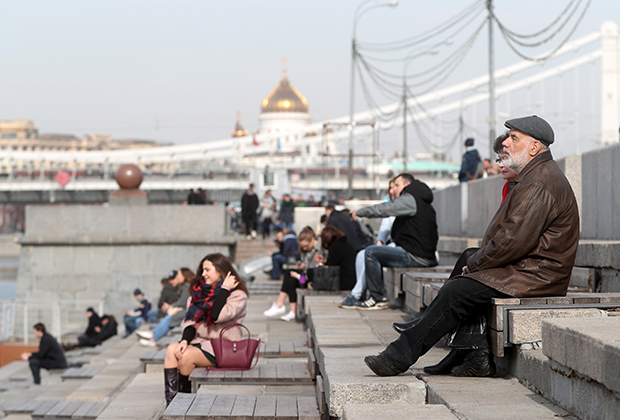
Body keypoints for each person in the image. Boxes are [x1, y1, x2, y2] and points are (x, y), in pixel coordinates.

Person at [364, 115, 580, 378]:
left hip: (536, 275)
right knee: (467, 259)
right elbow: (510, 239)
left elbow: (511, 242)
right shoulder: (535, 175)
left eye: (514, 138)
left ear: (534, 147)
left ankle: (397, 357)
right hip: (528, 268)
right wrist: (473, 261)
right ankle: (468, 354)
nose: (506, 144)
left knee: (459, 289)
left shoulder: (537, 182)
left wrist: (475, 266)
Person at [163, 253, 249, 406]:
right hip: (200, 342)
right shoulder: (198, 294)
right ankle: (172, 405)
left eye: (208, 270)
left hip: (224, 347)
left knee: (186, 356)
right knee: (172, 349)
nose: (203, 274)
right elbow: (189, 322)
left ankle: (183, 405)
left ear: (220, 270)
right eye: (202, 270)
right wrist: (184, 340)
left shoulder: (237, 295)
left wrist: (224, 289)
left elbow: (216, 315)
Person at [351, 173, 438, 310]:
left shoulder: (409, 199)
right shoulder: (421, 200)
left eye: (397, 185)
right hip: (423, 254)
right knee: (375, 251)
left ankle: (378, 297)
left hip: (415, 256)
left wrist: (360, 212)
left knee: (370, 252)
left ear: (407, 185)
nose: (393, 189)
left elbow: (384, 209)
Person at [340, 177, 397, 308]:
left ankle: (358, 294)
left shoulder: (404, 205)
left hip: (403, 246)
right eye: (391, 188)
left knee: (371, 253)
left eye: (395, 187)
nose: (392, 191)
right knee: (362, 254)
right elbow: (385, 226)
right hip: (393, 244)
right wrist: (380, 241)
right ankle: (359, 293)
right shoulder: (391, 205)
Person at [263, 226, 323, 321]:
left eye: (306, 246)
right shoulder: (306, 250)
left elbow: (314, 272)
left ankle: (281, 305)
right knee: (289, 277)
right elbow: (307, 267)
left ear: (312, 240)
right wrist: (302, 266)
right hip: (305, 276)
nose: (304, 248)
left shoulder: (319, 251)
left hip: (309, 281)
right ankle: (289, 310)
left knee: (290, 276)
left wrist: (299, 276)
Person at [137, 268, 194, 346]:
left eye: (178, 274)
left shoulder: (186, 286)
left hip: (187, 312)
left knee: (170, 318)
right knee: (169, 317)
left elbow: (182, 303)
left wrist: (170, 306)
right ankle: (152, 336)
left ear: (184, 276)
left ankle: (152, 337)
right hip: (185, 311)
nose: (177, 276)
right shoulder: (184, 286)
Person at [319, 226, 357, 291]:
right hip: (353, 280)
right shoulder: (346, 244)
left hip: (344, 282)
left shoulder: (335, 247)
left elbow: (331, 268)